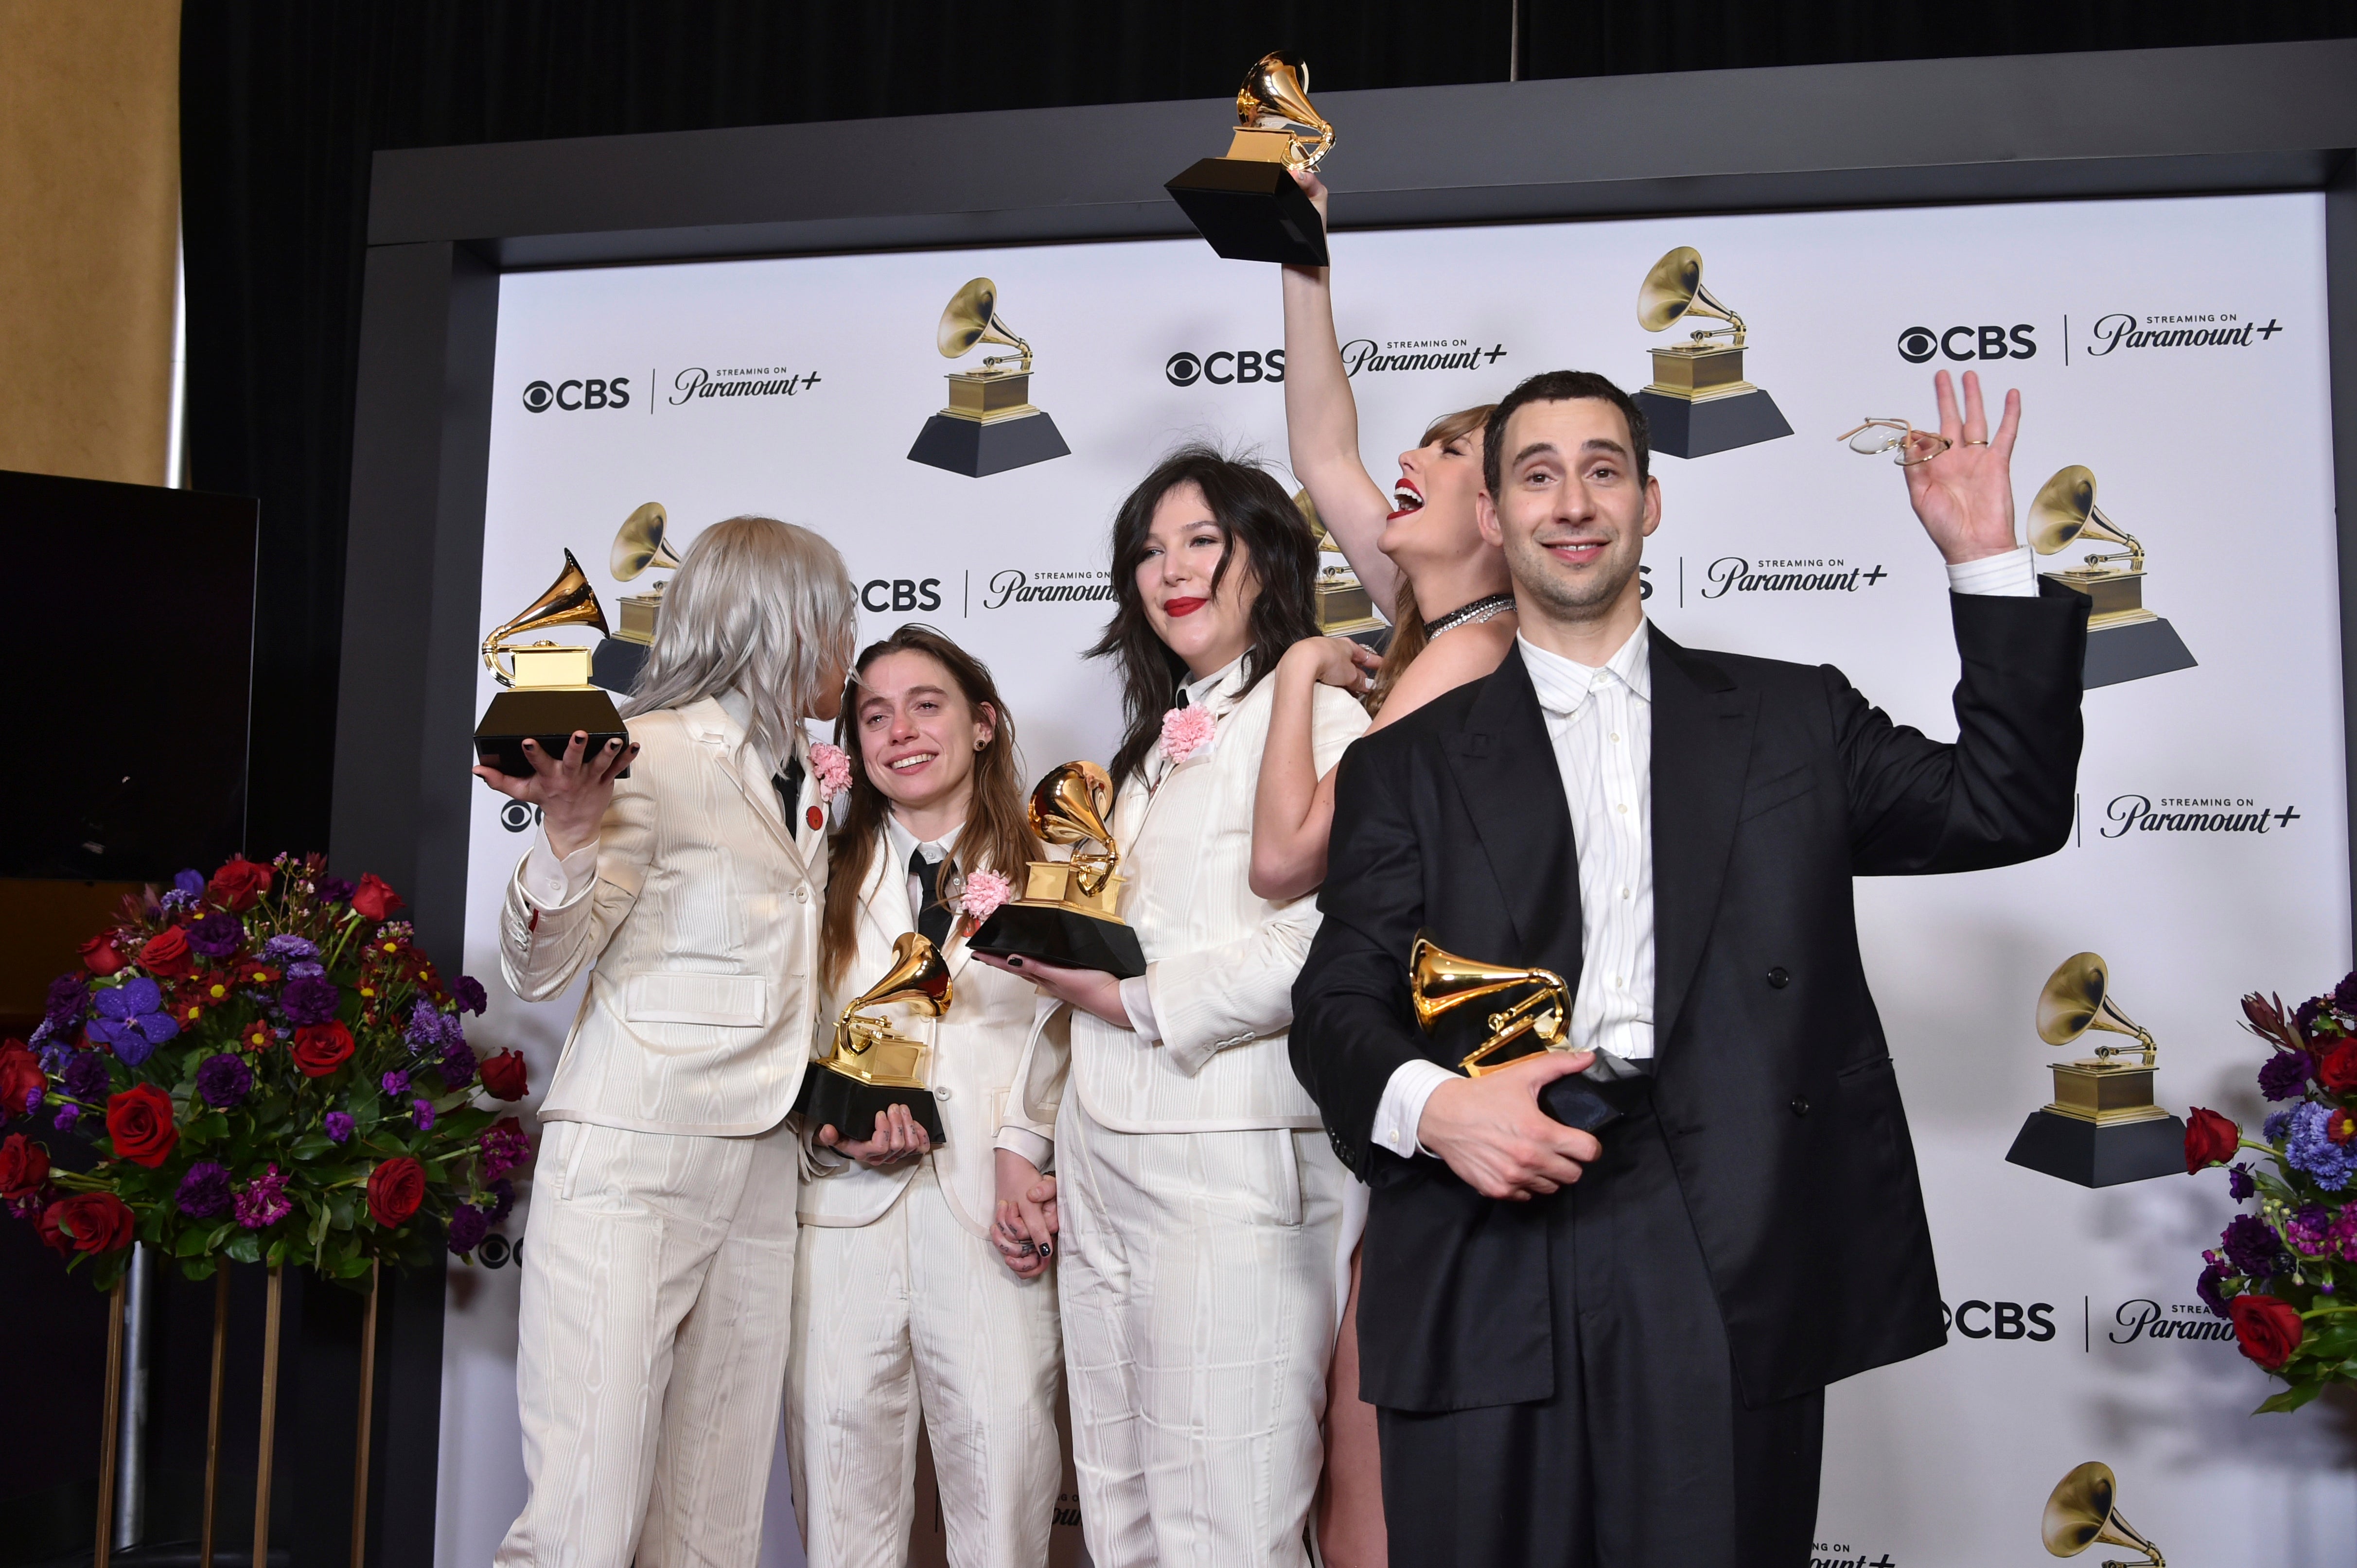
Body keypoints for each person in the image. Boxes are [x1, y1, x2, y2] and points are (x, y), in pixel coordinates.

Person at [1291, 368, 2085, 1567]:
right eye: (1538, 473)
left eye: (1604, 469)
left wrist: (1982, 556)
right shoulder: (1407, 762)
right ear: (1495, 517)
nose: (1573, 501)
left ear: (1651, 503)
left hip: (1722, 1228)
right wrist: (1441, 1108)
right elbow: (1335, 1003)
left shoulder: (1793, 719)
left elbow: (2005, 805)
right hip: (1480, 1211)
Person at [973, 447, 1371, 1568]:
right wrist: (1023, 1133)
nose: (1172, 568)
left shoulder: (1324, 724)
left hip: (1235, 1171)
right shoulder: (1143, 750)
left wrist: (1140, 998)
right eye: (1149, 549)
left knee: (1229, 1524)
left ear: (1269, 560)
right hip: (1104, 1170)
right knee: (1122, 1512)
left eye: (1203, 540)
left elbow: (1324, 941)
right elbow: (1087, 963)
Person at [477, 515, 857, 1568]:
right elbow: (544, 964)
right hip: (636, 1156)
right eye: (836, 620)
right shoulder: (654, 754)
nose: (848, 644)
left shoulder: (812, 780)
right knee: (583, 1520)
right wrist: (566, 837)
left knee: (713, 1524)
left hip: (763, 1164)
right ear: (784, 623)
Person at [1258, 169, 1522, 1567]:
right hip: (1397, 1085)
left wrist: (1304, 681)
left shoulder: (1491, 649)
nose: (1404, 466)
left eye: (1451, 452)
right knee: (1358, 1471)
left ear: (1508, 518)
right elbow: (1320, 438)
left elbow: (1290, 859)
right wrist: (1304, 253)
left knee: (1386, 1481)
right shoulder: (1434, 608)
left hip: (1454, 1093)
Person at [786, 624, 1067, 1568]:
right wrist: (828, 1126)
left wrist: (1032, 1148)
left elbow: (1073, 1032)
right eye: (873, 713)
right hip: (836, 1227)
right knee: (840, 1517)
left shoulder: (1054, 860)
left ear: (983, 722)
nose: (900, 730)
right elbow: (776, 1032)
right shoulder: (811, 868)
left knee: (1005, 1502)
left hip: (993, 1221)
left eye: (927, 703)